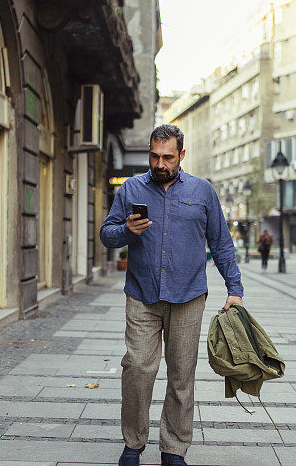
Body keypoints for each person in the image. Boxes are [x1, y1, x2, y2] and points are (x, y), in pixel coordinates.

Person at [100, 124, 244, 466]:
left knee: (182, 374)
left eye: (167, 157)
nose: (159, 163)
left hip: (189, 296)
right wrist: (125, 231)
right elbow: (107, 234)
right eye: (154, 156)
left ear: (181, 155)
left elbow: (221, 243)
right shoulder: (131, 189)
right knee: (137, 367)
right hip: (142, 294)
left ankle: (174, 449)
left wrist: (234, 290)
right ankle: (133, 443)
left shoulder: (203, 191)